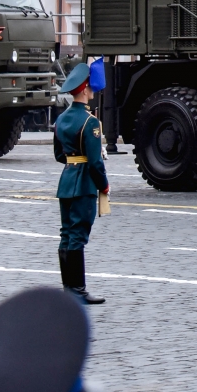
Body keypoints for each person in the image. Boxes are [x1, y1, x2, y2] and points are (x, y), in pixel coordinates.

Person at [54, 61, 109, 305]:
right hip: (85, 183)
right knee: (78, 236)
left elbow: (58, 155)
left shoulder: (62, 120)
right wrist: (104, 186)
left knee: (67, 234)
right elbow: (96, 162)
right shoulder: (91, 123)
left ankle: (69, 288)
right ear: (85, 89)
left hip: (66, 181)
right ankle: (78, 289)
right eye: (92, 89)